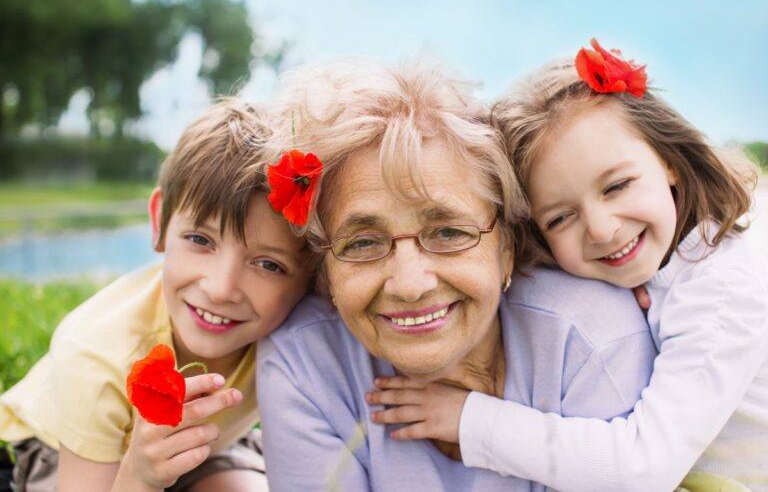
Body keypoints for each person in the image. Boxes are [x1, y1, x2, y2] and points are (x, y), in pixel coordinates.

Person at [367, 40, 768, 491]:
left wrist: (468, 419)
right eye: (560, 217)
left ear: (670, 160)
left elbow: (643, 468)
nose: (600, 229)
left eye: (617, 186)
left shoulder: (723, 291)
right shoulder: (662, 264)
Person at [255, 59, 657, 491]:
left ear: (506, 248)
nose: (410, 285)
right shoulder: (305, 362)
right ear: (327, 269)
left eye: (448, 232)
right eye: (363, 243)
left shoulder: (589, 335)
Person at [0, 98, 313, 492]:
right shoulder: (95, 356)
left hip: (208, 444)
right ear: (160, 221)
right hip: (71, 453)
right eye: (200, 240)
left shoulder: (302, 330)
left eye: (268, 265)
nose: (220, 289)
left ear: (313, 279)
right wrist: (139, 477)